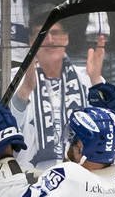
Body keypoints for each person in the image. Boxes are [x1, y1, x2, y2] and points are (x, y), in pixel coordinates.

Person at [11, 22, 100, 171]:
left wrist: (96, 81)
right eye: (42, 35)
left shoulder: (87, 77)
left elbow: (103, 127)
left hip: (80, 176)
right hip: (31, 179)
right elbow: (6, 133)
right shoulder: (13, 78)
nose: (50, 40)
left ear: (66, 38)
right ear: (32, 42)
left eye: (56, 33)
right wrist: (25, 90)